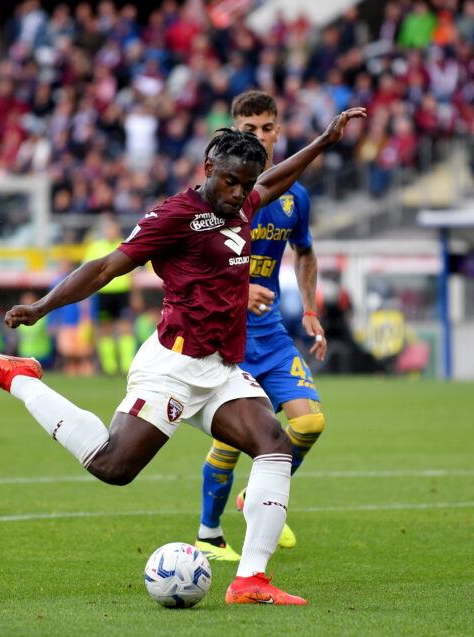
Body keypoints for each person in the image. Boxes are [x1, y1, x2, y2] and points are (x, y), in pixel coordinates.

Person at [0, 107, 366, 606]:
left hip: (220, 368)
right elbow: (106, 266)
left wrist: (323, 141)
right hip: (172, 367)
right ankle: (19, 377)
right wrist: (42, 306)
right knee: (113, 466)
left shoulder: (242, 202)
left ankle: (250, 580)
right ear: (208, 167)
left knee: (275, 445)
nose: (241, 194)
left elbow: (274, 182)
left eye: (247, 185)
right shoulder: (174, 216)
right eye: (233, 183)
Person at [196, 91, 328, 563]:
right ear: (233, 132)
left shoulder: (295, 197)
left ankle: (258, 494)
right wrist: (239, 287)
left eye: (266, 128)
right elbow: (193, 259)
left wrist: (310, 309)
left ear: (278, 129)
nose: (259, 136)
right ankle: (209, 534)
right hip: (224, 332)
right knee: (231, 440)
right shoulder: (220, 194)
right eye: (248, 130)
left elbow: (305, 251)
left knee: (309, 422)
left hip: (269, 331)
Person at [83, 216, 138, 376]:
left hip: (122, 292)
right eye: (108, 229)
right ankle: (110, 367)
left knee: (125, 327)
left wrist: (135, 295)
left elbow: (133, 274)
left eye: (113, 229)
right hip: (103, 293)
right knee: (105, 328)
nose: (111, 232)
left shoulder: (125, 244)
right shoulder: (95, 247)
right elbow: (88, 273)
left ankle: (127, 365)